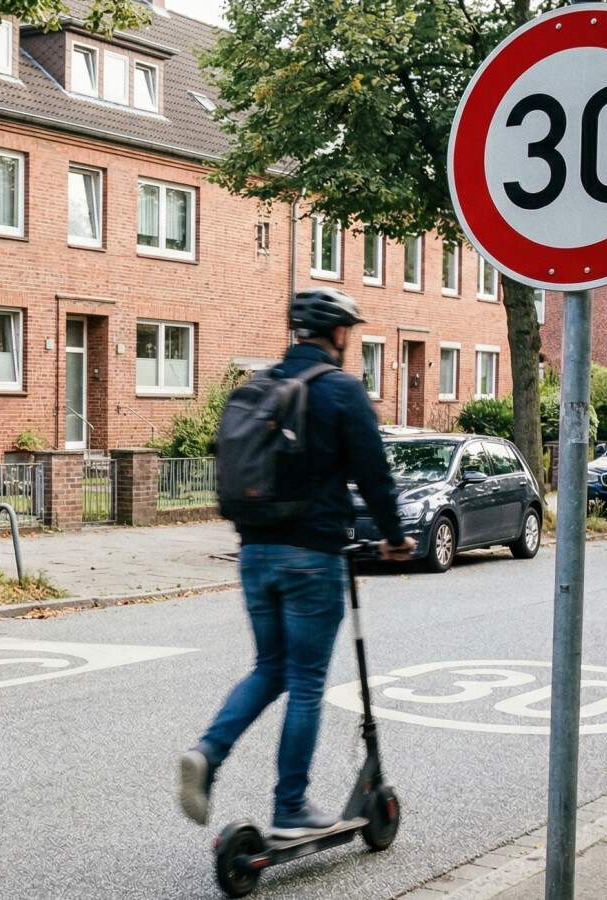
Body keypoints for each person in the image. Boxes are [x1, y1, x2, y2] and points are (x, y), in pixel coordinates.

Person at [179, 288, 416, 838]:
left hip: (254, 552)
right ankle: (290, 805)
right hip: (311, 558)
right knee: (306, 681)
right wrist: (394, 537)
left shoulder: (261, 385)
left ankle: (208, 753)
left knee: (271, 667)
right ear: (340, 334)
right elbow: (374, 475)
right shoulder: (340, 390)